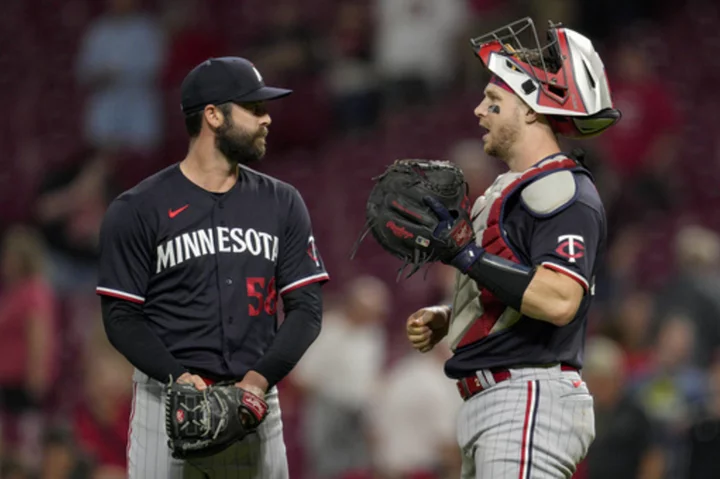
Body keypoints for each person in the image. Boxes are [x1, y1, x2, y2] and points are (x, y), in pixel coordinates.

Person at [404, 17, 621, 478]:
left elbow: (561, 299)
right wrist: (452, 314)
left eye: (494, 100)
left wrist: (466, 256)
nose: (479, 111)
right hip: (500, 400)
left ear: (530, 109)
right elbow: (513, 280)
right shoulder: (515, 188)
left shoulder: (561, 187)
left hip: (527, 395)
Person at [96, 56, 330, 478]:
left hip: (255, 404)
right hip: (166, 403)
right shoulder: (138, 208)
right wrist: (179, 378)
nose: (267, 119)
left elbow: (307, 310)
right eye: (254, 108)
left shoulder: (282, 202)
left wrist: (257, 383)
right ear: (213, 116)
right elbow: (121, 317)